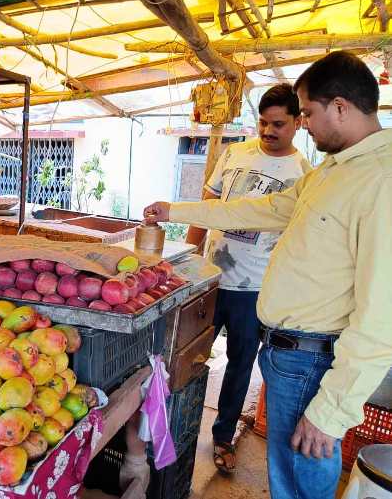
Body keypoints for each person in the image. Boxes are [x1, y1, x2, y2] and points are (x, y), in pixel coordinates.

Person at [143, 51, 392, 499]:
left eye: (309, 113)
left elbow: (382, 314)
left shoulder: (381, 180)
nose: (306, 125)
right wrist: (175, 210)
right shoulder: (331, 172)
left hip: (311, 361)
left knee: (298, 481)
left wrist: (332, 411)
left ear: (340, 106)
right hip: (287, 354)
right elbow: (262, 208)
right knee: (286, 477)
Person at [184, 84, 311, 474]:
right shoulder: (235, 153)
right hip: (210, 277)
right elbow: (207, 209)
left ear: (298, 123)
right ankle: (181, 426)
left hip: (254, 287)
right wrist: (190, 260)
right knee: (189, 358)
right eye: (263, 122)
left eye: (278, 124)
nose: (268, 131)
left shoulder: (302, 173)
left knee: (240, 365)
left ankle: (222, 437)